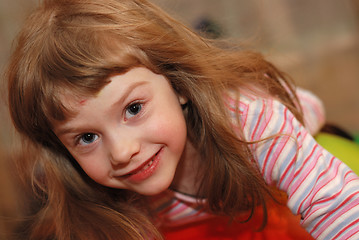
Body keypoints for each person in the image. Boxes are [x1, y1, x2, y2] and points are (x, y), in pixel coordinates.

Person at [5, 0, 359, 239]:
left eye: (133, 109)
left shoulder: (251, 123)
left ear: (177, 84)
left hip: (301, 138)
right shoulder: (103, 191)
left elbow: (336, 203)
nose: (123, 151)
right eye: (86, 138)